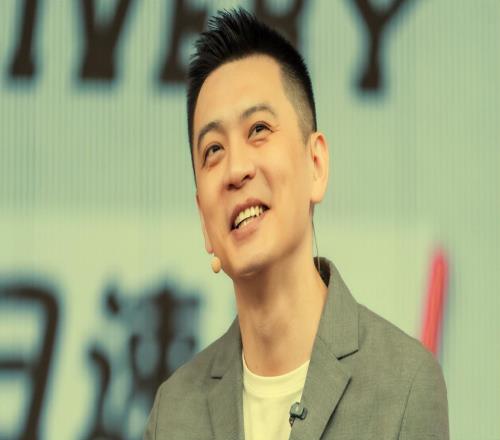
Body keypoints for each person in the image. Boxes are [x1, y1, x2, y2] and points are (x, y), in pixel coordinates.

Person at [144, 8, 449, 440]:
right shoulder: (174, 413)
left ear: (316, 164)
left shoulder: (404, 384)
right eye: (213, 150)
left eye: (258, 129)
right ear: (204, 221)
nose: (236, 169)